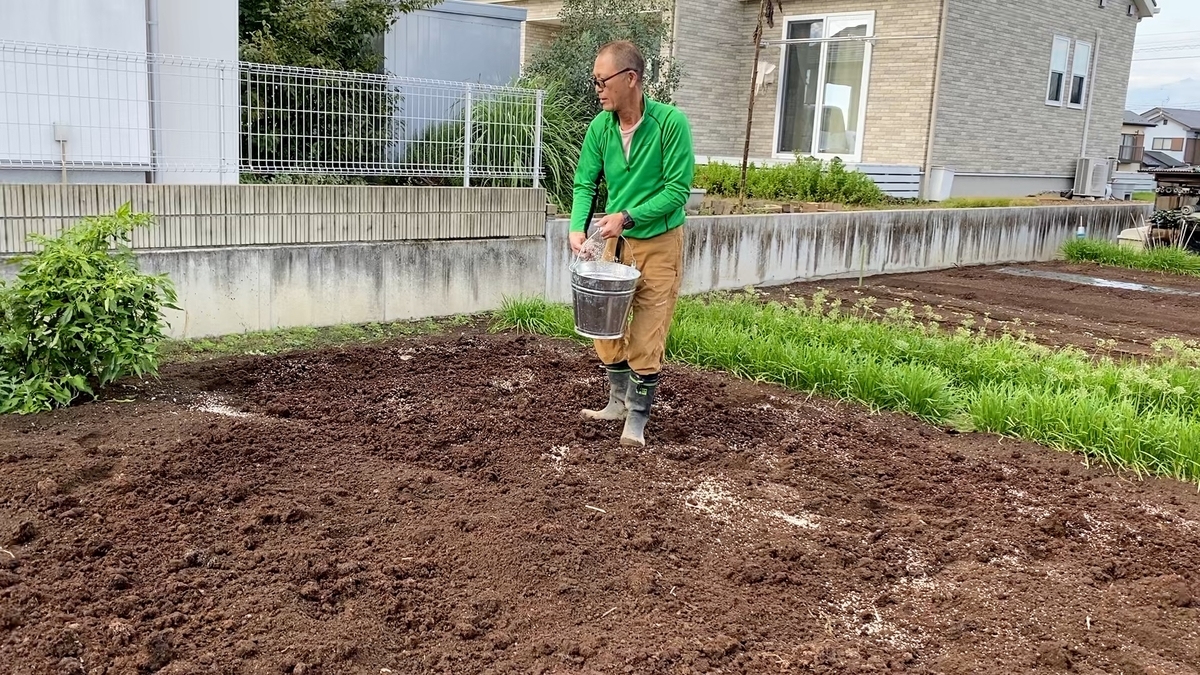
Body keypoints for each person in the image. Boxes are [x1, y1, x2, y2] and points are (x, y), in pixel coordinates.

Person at [568, 40, 695, 448]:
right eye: (595, 81)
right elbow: (586, 181)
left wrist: (628, 217)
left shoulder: (670, 124)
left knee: (646, 334)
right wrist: (577, 226)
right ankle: (617, 402)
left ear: (631, 79)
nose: (598, 89)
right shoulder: (600, 127)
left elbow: (678, 191)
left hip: (659, 243)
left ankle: (636, 419)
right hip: (615, 245)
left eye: (601, 81)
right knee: (602, 326)